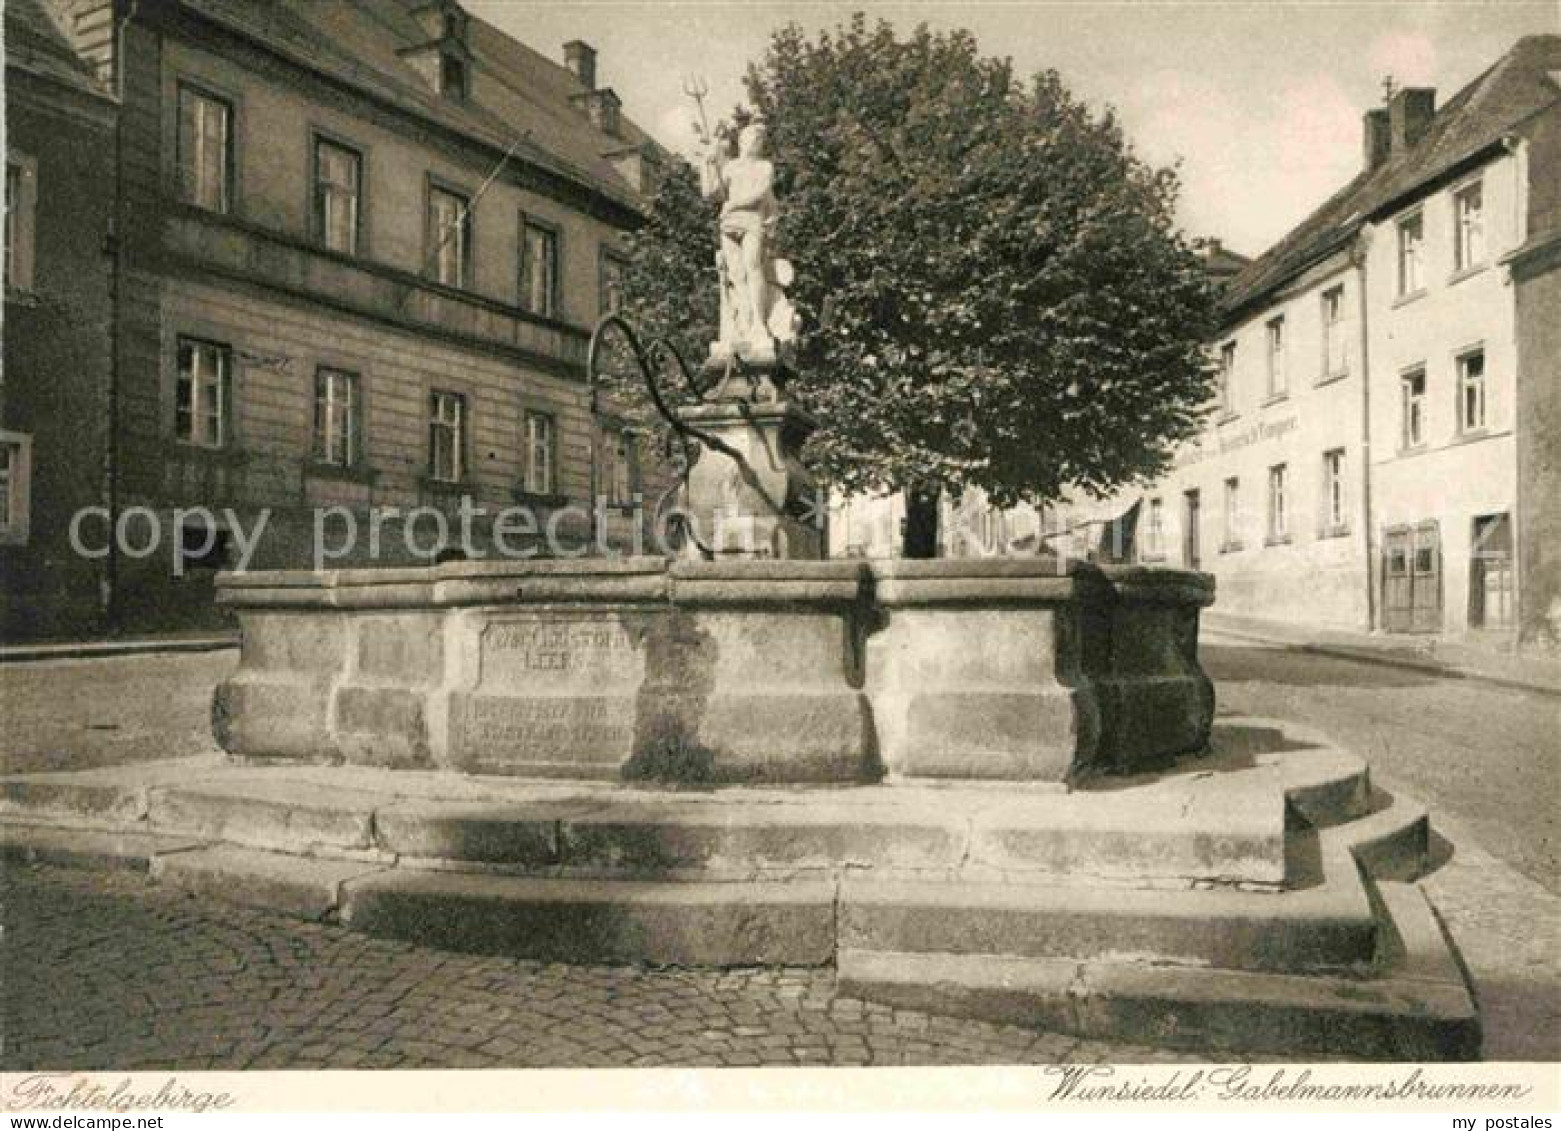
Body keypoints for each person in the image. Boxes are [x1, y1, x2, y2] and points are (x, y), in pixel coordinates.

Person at [701, 120, 778, 355]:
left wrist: (733, 203)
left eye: (759, 140)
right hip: (728, 224)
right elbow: (710, 192)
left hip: (751, 220)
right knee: (736, 275)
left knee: (753, 267)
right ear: (742, 141)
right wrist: (707, 162)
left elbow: (760, 193)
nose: (754, 143)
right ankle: (742, 325)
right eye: (750, 138)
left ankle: (759, 324)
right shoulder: (731, 167)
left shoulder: (764, 166)